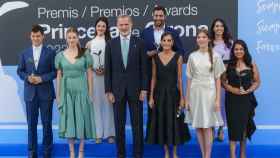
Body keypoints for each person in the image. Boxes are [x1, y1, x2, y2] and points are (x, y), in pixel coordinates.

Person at [104, 15, 148, 158]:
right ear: (117, 26)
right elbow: (108, 70)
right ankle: (121, 154)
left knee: (137, 125)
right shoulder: (110, 44)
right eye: (121, 24)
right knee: (119, 125)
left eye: (126, 24)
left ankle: (138, 154)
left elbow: (144, 68)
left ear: (131, 25)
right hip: (117, 91)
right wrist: (108, 90)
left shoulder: (140, 43)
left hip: (136, 90)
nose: (123, 27)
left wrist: (144, 89)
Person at [146, 32, 190, 158]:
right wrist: (151, 97)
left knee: (174, 123)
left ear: (172, 42)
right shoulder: (155, 57)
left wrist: (182, 97)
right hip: (159, 95)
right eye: (164, 40)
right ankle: (166, 151)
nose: (166, 43)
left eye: (169, 40)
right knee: (162, 122)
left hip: (173, 94)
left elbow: (180, 79)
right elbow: (153, 78)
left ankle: (175, 152)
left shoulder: (178, 57)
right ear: (161, 42)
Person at [55, 27, 96, 158]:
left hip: (82, 90)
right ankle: (72, 152)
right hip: (66, 91)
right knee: (69, 121)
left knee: (82, 119)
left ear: (78, 38)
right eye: (69, 37)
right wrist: (58, 96)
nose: (72, 40)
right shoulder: (60, 56)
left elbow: (90, 75)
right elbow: (59, 77)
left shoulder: (85, 54)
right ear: (66, 39)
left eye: (74, 37)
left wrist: (90, 93)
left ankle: (81, 151)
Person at [185, 28, 225, 158]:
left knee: (207, 126)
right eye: (198, 37)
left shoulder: (216, 56)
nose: (201, 39)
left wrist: (218, 99)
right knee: (198, 126)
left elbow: (218, 79)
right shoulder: (192, 56)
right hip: (195, 94)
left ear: (208, 39)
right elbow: (189, 79)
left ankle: (208, 156)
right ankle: (203, 155)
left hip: (210, 94)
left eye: (203, 37)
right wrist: (187, 99)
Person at [17, 24, 56, 158]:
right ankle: (32, 152)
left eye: (38, 36)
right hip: (30, 95)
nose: (35, 38)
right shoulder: (24, 53)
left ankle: (47, 151)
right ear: (30, 36)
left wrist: (41, 79)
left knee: (47, 123)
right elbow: (19, 71)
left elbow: (54, 72)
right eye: (33, 36)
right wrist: (28, 77)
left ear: (43, 37)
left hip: (46, 94)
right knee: (31, 125)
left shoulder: (50, 53)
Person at [222, 40, 260, 158]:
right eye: (236, 49)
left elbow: (257, 81)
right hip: (232, 101)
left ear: (245, 50)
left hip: (246, 100)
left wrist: (249, 90)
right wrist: (232, 89)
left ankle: (243, 155)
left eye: (241, 49)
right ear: (233, 51)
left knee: (244, 128)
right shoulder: (228, 65)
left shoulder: (251, 63)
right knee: (233, 128)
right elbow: (222, 81)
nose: (239, 51)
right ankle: (232, 156)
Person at [86, 17, 115, 144]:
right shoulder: (89, 44)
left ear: (106, 28)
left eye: (103, 26)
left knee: (109, 105)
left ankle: (110, 134)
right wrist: (94, 69)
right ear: (95, 27)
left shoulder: (111, 42)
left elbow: (115, 62)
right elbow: (86, 63)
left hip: (108, 78)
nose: (101, 28)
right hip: (94, 78)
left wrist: (106, 70)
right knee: (96, 105)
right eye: (99, 26)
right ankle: (97, 134)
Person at [210, 18, 233, 141]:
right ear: (213, 28)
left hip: (225, 78)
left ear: (224, 28)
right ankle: (212, 129)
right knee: (211, 104)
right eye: (216, 26)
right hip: (210, 78)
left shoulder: (230, 43)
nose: (219, 28)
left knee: (222, 104)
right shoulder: (209, 43)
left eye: (221, 26)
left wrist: (226, 74)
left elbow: (233, 61)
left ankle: (221, 129)